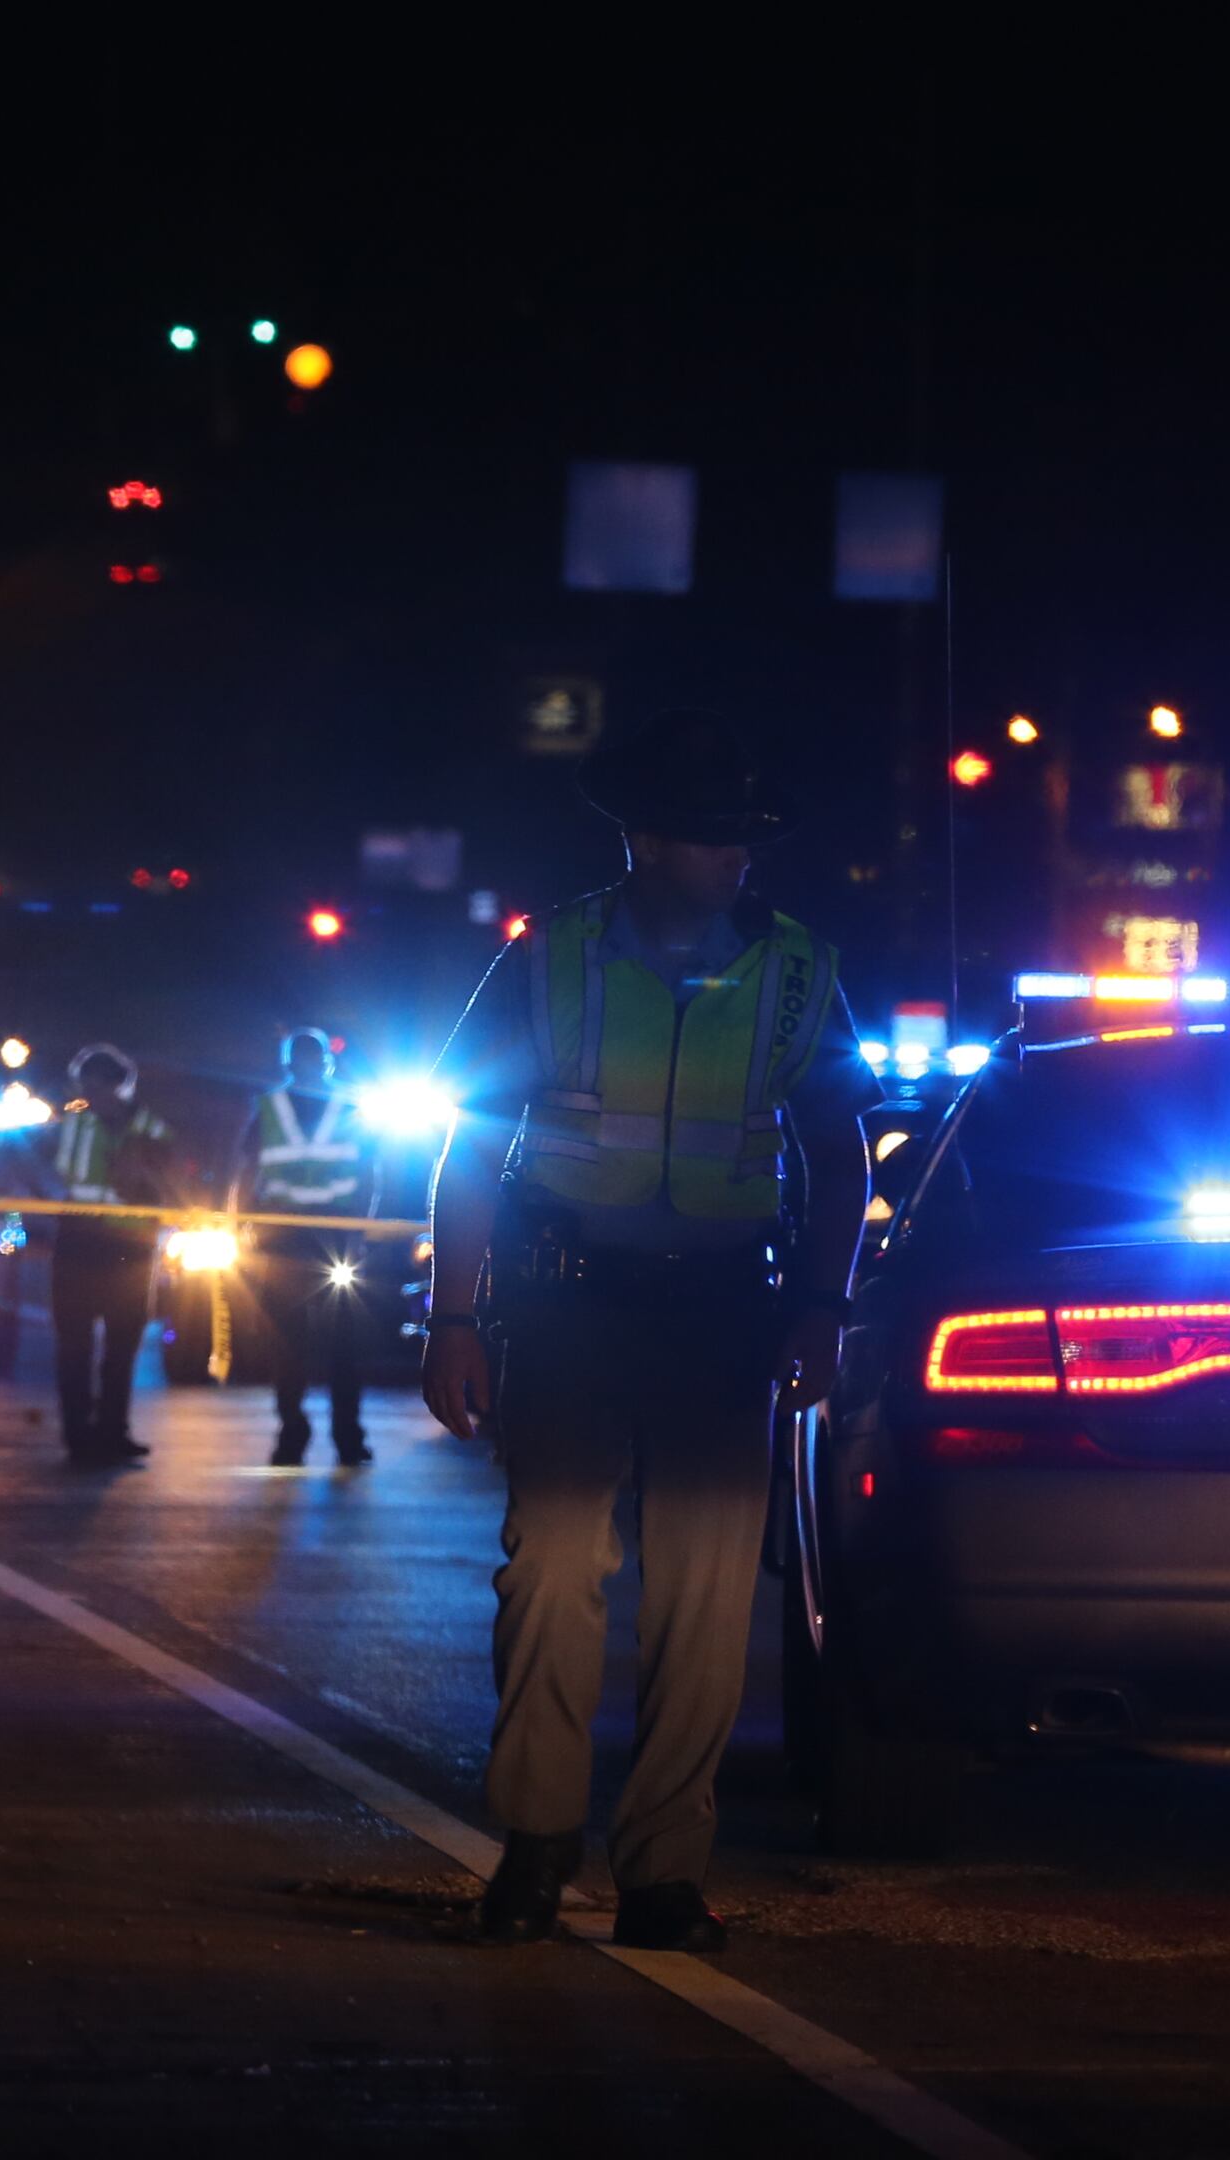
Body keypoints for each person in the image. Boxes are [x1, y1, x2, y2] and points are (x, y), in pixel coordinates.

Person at [419, 708, 878, 1955]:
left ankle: (665, 1874)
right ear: (646, 841)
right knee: (553, 1567)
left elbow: (839, 1157)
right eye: (715, 836)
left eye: (747, 838)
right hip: (568, 1306)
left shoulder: (797, 972)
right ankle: (536, 1843)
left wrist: (822, 1308)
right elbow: (471, 1146)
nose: (740, 857)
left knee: (707, 1596)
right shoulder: (546, 959)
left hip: (724, 1314)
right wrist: (453, 1315)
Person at [230, 1027, 375, 1467]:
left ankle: (323, 1436)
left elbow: (368, 1172)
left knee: (325, 1345)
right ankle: (314, 1435)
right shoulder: (285, 1107)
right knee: (302, 1345)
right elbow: (248, 1170)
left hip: (314, 1237)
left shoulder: (286, 1107)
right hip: (306, 1238)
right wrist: (240, 1224)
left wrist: (360, 1232)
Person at [40, 1044, 173, 1466]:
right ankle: (78, 1437)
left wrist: (142, 1172)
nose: (89, 1096)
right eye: (85, 1087)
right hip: (78, 1243)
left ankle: (113, 1432)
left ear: (121, 1086)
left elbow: (169, 1184)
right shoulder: (70, 1125)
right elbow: (25, 1161)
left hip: (129, 1249)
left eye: (96, 1087)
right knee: (74, 1346)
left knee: (122, 1347)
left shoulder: (154, 1130)